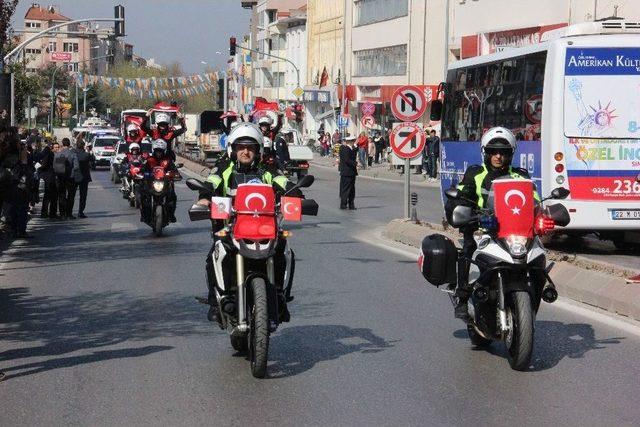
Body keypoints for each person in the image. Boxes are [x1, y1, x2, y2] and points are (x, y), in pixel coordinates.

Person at [196, 122, 300, 323]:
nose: (245, 152)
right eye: (241, 147)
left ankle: (281, 298)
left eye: (250, 148)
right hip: (231, 227)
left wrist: (296, 194)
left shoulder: (266, 170)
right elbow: (212, 182)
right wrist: (205, 197)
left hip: (265, 227)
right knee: (214, 256)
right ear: (233, 150)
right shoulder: (225, 169)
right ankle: (215, 302)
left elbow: (283, 183)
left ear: (258, 150)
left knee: (286, 252)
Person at [446, 127, 539, 319]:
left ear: (511, 154)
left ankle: (535, 296)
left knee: (538, 257)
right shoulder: (475, 173)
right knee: (468, 249)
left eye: (503, 152)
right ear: (485, 153)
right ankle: (462, 296)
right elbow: (462, 196)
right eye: (493, 152)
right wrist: (464, 211)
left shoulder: (521, 175)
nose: (498, 156)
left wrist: (543, 213)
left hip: (513, 230)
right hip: (483, 229)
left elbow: (534, 199)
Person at [140, 139, 179, 223]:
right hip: (152, 184)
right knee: (143, 196)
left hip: (164, 183)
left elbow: (174, 170)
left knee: (173, 197)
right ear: (154, 150)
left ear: (164, 151)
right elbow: (143, 169)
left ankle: (171, 215)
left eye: (160, 151)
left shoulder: (168, 161)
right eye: (157, 151)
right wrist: (143, 173)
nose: (158, 153)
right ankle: (144, 215)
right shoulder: (149, 160)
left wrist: (175, 174)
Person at [53, 137, 77, 220]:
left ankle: (62, 214)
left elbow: (57, 167)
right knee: (71, 196)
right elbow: (76, 166)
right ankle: (69, 214)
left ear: (62, 144)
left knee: (61, 195)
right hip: (70, 177)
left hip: (61, 177)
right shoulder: (72, 154)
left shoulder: (59, 154)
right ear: (69, 144)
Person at [38, 141, 59, 219]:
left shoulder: (58, 155)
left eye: (57, 147)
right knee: (50, 196)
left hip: (52, 177)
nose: (56, 149)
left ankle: (49, 213)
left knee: (51, 196)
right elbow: (45, 164)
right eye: (55, 147)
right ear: (52, 148)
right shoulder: (50, 154)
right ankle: (49, 213)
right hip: (50, 177)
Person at [72, 140, 92, 218]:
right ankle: (80, 212)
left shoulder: (73, 153)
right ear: (83, 146)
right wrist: (89, 150)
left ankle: (69, 212)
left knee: (71, 195)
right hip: (83, 178)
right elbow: (92, 159)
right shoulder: (86, 154)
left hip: (74, 176)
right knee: (83, 196)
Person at [339, 135, 358, 210]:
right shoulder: (344, 149)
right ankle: (343, 204)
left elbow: (355, 151)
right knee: (345, 189)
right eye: (353, 141)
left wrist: (356, 146)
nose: (354, 142)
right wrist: (355, 163)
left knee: (352, 190)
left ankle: (351, 204)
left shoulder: (351, 148)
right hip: (346, 172)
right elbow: (347, 160)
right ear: (350, 142)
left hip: (351, 172)